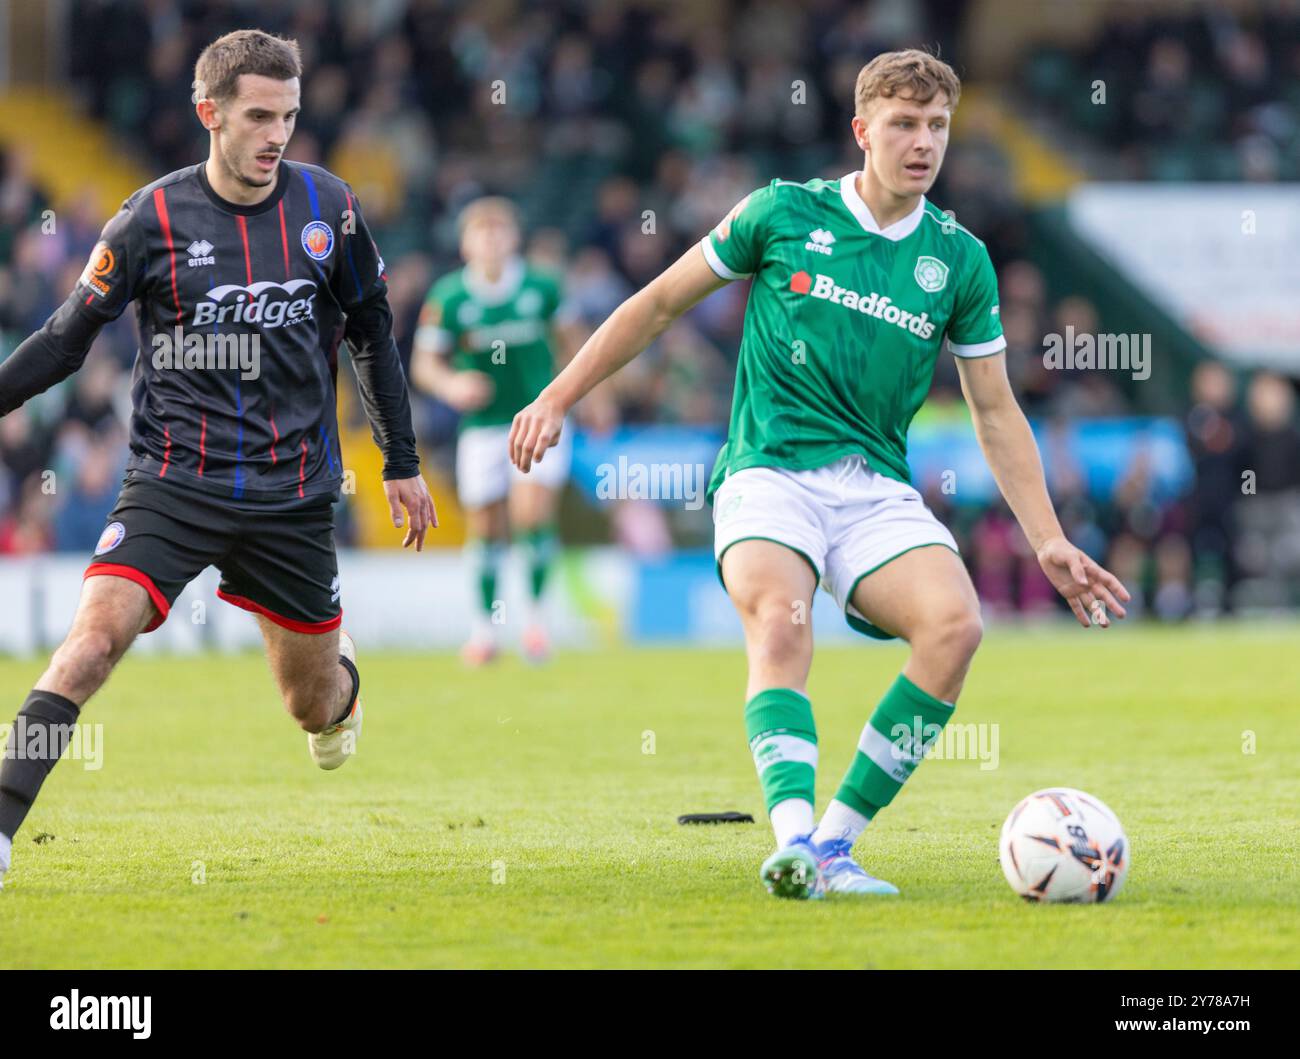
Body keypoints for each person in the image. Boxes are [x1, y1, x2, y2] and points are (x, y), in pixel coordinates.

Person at [509, 49, 1130, 899]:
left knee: (956, 627)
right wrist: (556, 396)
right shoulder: (782, 213)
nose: (922, 143)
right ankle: (792, 841)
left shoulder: (959, 260)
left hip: (874, 487)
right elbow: (656, 303)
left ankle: (836, 844)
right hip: (769, 471)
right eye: (904, 124)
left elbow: (994, 410)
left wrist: (1048, 537)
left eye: (937, 126)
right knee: (781, 621)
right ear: (862, 130)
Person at [0, 30, 436, 890]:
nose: (278, 134)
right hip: (172, 480)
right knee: (90, 644)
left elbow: (372, 333)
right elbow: (63, 341)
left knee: (311, 706)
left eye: (290, 115)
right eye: (260, 116)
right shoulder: (148, 220)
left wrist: (400, 459)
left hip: (293, 494)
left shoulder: (329, 208)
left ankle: (340, 685)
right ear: (210, 114)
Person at [412, 198, 579, 665]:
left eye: (498, 231)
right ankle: (485, 631)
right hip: (483, 429)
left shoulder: (542, 287)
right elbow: (425, 365)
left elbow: (574, 346)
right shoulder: (449, 297)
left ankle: (537, 627)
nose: (490, 241)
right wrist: (451, 383)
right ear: (465, 243)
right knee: (486, 528)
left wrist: (585, 397)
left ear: (514, 238)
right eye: (481, 233)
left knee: (532, 515)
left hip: (538, 421)